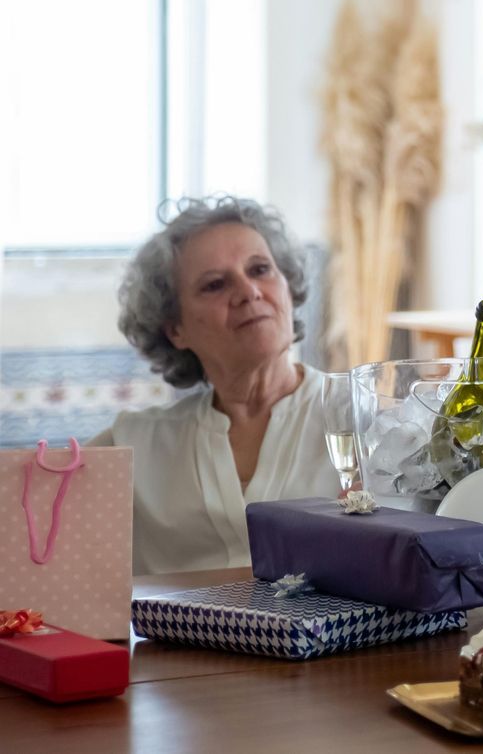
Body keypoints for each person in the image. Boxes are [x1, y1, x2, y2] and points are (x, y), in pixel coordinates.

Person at [94, 196, 337, 575]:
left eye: (260, 269)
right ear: (175, 328)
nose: (248, 291)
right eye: (215, 285)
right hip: (167, 637)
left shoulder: (364, 418)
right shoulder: (135, 445)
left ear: (288, 289)